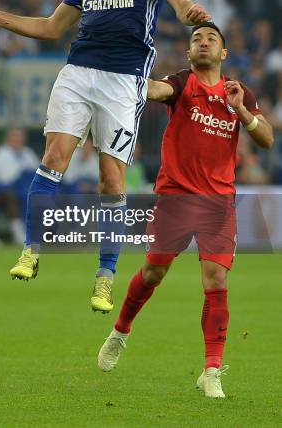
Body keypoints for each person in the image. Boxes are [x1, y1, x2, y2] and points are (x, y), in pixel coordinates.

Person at [0, 0, 211, 312]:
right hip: (77, 73)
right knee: (54, 156)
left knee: (111, 180)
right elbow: (51, 27)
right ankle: (31, 249)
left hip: (123, 82)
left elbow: (178, 2)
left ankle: (105, 277)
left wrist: (190, 13)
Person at [97, 22, 274, 396]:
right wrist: (130, 83)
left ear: (224, 53)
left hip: (218, 203)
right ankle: (121, 331)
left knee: (216, 280)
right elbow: (154, 89)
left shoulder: (238, 93)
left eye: (211, 39)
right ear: (189, 53)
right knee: (153, 272)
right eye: (196, 39)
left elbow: (267, 139)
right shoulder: (181, 83)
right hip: (175, 199)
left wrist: (242, 111)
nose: (203, 42)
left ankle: (211, 370)